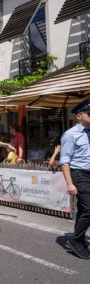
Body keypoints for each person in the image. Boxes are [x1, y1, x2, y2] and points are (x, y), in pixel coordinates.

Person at [60, 98, 90, 259]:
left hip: (88, 174)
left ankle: (79, 240)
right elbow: (64, 160)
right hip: (78, 174)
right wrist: (70, 183)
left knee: (85, 209)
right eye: (89, 114)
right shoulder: (70, 135)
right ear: (79, 116)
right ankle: (77, 240)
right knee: (89, 209)